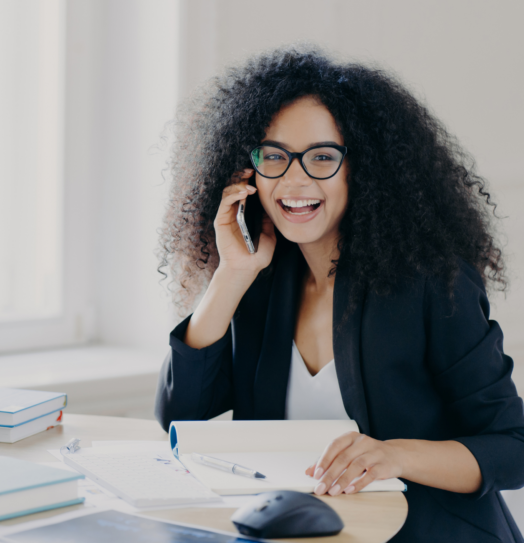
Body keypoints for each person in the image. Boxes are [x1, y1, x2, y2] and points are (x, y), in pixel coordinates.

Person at [154, 46, 524, 542]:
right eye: (274, 156)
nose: (295, 179)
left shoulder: (434, 284)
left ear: (362, 169)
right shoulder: (260, 279)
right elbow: (180, 417)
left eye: (322, 157)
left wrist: (395, 455)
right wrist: (231, 276)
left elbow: (512, 447)